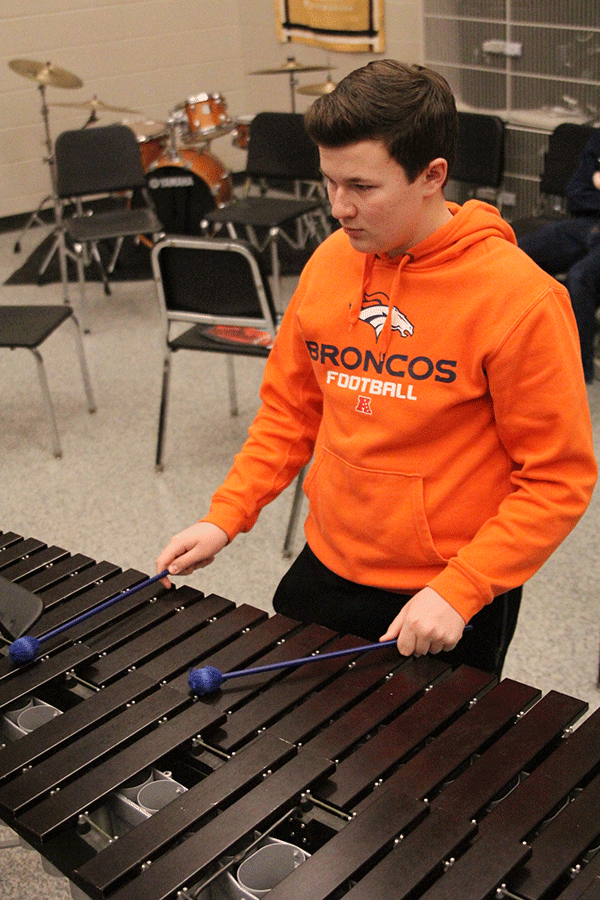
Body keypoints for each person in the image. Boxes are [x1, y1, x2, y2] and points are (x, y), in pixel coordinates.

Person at [156, 60, 597, 677]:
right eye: (329, 183)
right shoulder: (331, 262)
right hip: (328, 560)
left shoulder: (520, 300)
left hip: (444, 592)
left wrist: (462, 589)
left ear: (431, 176)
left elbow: (557, 479)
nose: (339, 207)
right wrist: (224, 516)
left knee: (430, 767)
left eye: (361, 187)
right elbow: (288, 414)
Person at [518, 128, 600, 383]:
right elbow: (575, 194)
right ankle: (511, 351)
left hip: (591, 223)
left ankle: (579, 372)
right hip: (587, 223)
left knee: (580, 278)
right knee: (514, 255)